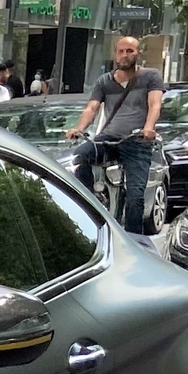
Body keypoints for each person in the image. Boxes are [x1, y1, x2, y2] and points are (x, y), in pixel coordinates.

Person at [70, 34, 165, 231]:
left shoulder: (151, 76)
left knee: (135, 195)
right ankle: (89, 208)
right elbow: (92, 108)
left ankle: (134, 240)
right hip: (109, 139)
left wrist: (148, 128)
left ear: (138, 53)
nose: (124, 55)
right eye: (120, 51)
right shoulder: (104, 81)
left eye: (129, 51)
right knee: (81, 156)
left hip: (137, 141)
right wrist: (79, 129)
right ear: (115, 55)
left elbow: (154, 105)